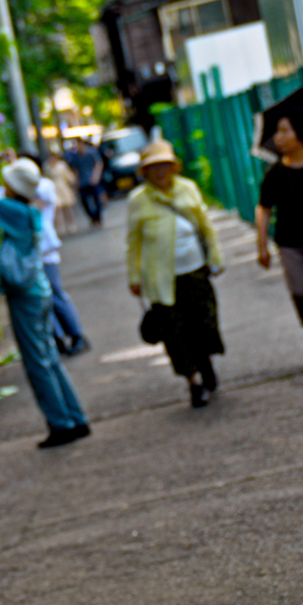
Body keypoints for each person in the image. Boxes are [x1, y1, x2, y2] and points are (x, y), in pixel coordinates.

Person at [0, 139, 90, 448]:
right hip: (40, 290)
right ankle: (75, 418)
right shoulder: (25, 209)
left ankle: (61, 425)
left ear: (13, 187)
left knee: (37, 362)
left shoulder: (14, 211)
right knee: (49, 358)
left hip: (25, 296)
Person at [127, 140, 225, 408]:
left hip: (195, 271)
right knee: (175, 332)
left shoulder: (187, 189)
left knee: (203, 323)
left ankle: (205, 364)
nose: (160, 172)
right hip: (161, 279)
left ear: (173, 167)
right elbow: (133, 244)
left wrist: (215, 257)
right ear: (145, 172)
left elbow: (206, 227)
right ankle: (193, 382)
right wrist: (134, 277)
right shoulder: (138, 201)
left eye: (164, 166)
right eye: (153, 167)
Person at [256, 111, 303, 359]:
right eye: (277, 132)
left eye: (284, 131)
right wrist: (262, 246)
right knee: (300, 291)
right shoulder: (275, 173)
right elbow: (264, 208)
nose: (278, 137)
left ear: (300, 135)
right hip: (290, 243)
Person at [22, 153, 91, 356]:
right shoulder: (21, 190)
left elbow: (34, 199)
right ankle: (58, 338)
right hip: (31, 252)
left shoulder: (43, 185)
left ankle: (76, 335)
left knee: (55, 294)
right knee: (42, 298)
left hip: (45, 249)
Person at [67, 138, 105, 227]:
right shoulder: (75, 156)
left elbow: (98, 163)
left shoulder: (91, 152)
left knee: (97, 200)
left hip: (92, 180)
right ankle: (92, 217)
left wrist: (96, 176)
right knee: (84, 201)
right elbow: (75, 169)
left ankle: (98, 217)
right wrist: (76, 182)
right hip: (82, 181)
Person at [47, 152, 78, 234]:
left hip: (63, 187)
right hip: (54, 189)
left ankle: (71, 224)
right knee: (58, 209)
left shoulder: (61, 165)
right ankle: (61, 227)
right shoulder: (48, 168)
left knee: (67, 207)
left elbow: (68, 175)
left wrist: (72, 182)